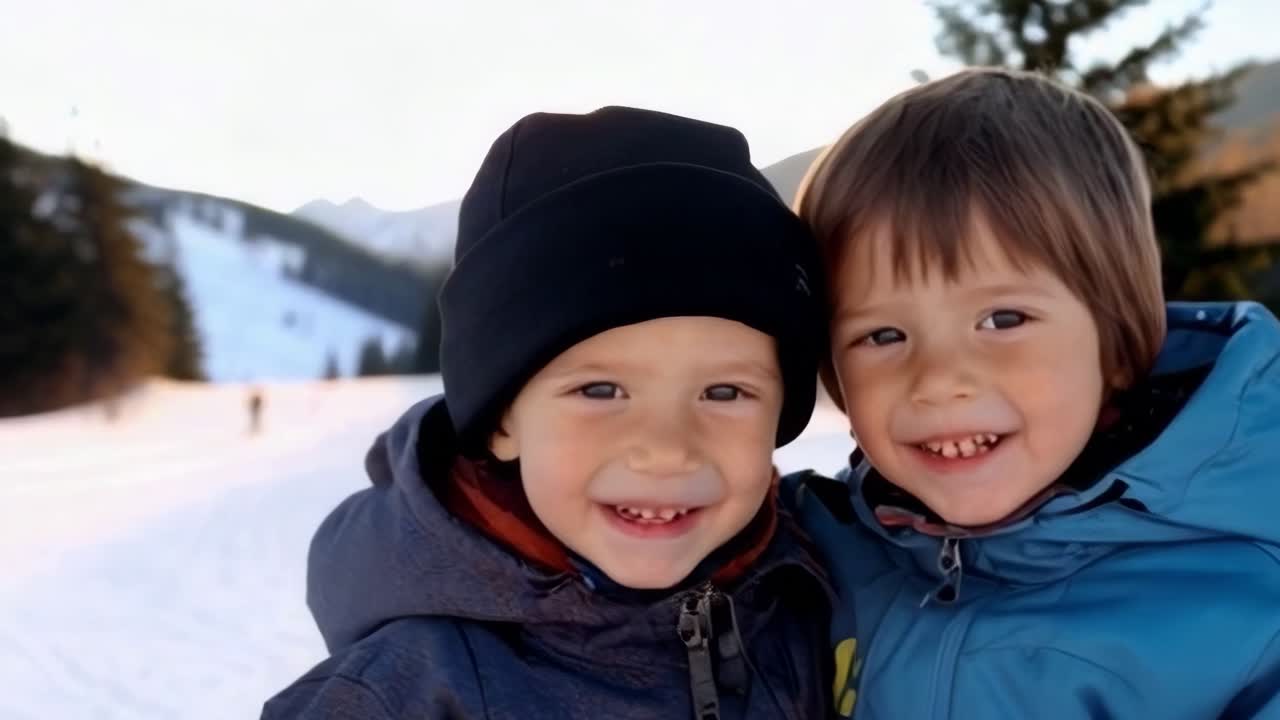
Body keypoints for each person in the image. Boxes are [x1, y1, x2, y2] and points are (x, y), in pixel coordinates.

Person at [263, 106, 833, 720]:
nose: (666, 447)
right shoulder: (409, 693)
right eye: (601, 390)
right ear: (503, 421)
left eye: (724, 393)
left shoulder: (812, 606)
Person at [790, 66, 1280, 719]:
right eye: (882, 334)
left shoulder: (1246, 604)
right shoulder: (811, 559)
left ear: (1113, 338)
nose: (939, 380)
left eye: (1002, 320)